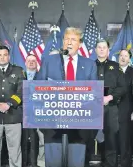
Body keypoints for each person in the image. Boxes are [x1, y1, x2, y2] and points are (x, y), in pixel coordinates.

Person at [36, 27, 98, 167]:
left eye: (73, 39)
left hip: (80, 122)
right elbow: (37, 87)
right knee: (53, 162)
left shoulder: (89, 65)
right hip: (52, 121)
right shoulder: (49, 61)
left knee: (76, 162)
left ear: (80, 44)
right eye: (67, 39)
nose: (69, 42)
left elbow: (94, 93)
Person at [94, 39, 126, 167]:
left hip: (111, 108)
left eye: (104, 47)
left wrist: (110, 97)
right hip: (91, 108)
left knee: (111, 139)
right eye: (99, 47)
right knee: (89, 137)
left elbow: (123, 87)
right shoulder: (89, 65)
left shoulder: (116, 66)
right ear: (95, 50)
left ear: (108, 50)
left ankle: (110, 164)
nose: (101, 49)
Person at [118, 49, 133, 167]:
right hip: (113, 110)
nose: (123, 58)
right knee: (112, 140)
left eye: (125, 56)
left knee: (126, 140)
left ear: (129, 58)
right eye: (121, 55)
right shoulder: (113, 70)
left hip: (127, 110)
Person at [22, 54, 42, 167]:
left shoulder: (41, 76)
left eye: (33, 60)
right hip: (21, 112)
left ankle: (34, 164)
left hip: (37, 112)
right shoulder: (20, 75)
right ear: (25, 63)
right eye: (29, 60)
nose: (31, 62)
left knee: (35, 140)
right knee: (23, 140)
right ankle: (24, 163)